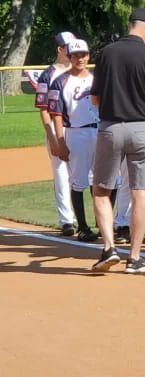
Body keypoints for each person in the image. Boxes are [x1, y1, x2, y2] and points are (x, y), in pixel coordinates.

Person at [88, 7, 145, 273]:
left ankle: (109, 248)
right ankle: (135, 257)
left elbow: (95, 98)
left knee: (101, 190)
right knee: (141, 192)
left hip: (111, 126)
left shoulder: (107, 53)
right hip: (143, 128)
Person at [47, 39, 100, 242]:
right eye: (76, 55)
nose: (80, 59)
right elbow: (57, 114)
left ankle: (101, 220)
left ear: (89, 56)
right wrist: (60, 141)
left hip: (99, 131)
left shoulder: (96, 79)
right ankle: (84, 227)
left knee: (105, 180)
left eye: (83, 55)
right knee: (79, 181)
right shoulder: (60, 81)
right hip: (76, 132)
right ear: (69, 57)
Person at [34, 31, 77, 235]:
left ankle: (87, 219)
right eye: (68, 47)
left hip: (79, 127)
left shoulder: (80, 71)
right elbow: (44, 109)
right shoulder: (48, 75)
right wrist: (51, 136)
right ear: (60, 49)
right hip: (55, 125)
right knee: (61, 174)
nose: (72, 51)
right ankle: (67, 220)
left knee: (84, 174)